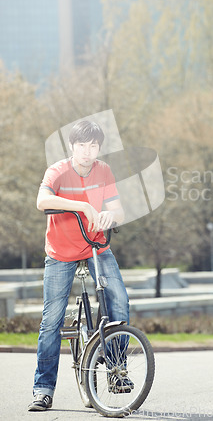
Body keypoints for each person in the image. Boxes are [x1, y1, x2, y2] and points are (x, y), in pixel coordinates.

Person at [28, 120, 129, 412]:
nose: (88, 151)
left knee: (119, 301)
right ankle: (43, 389)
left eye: (93, 145)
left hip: (96, 246)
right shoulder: (58, 171)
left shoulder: (104, 171)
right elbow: (42, 201)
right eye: (82, 145)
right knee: (52, 321)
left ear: (99, 147)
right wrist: (83, 206)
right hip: (61, 252)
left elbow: (118, 209)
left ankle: (117, 370)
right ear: (72, 147)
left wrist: (112, 217)